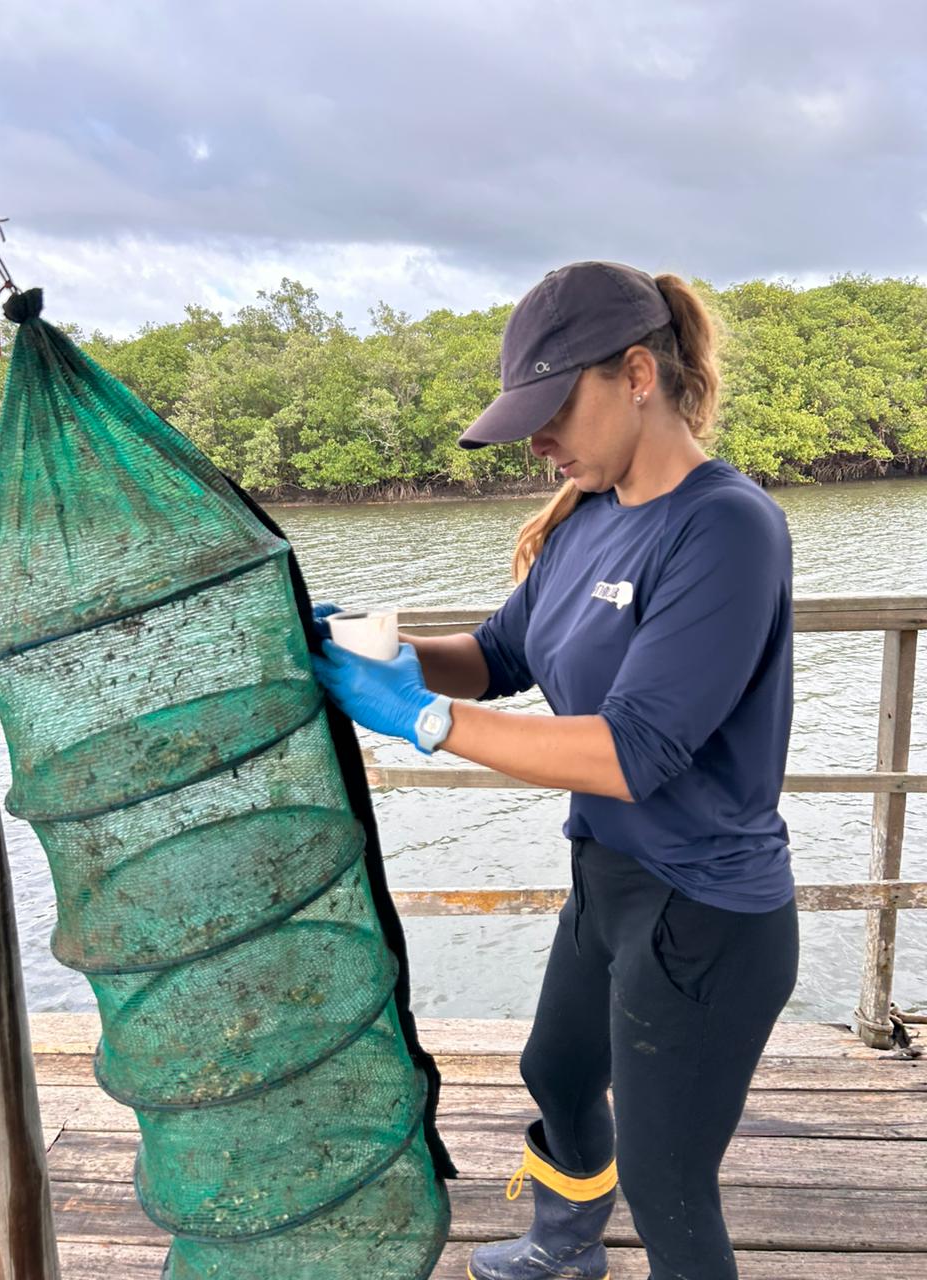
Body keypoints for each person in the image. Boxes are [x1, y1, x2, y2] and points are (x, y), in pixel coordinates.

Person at [310, 261, 800, 1280]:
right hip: (608, 877)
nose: (536, 442)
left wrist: (424, 721)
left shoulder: (726, 526)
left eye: (551, 410)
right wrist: (381, 656)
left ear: (635, 374)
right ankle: (569, 1239)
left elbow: (633, 750)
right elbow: (499, 653)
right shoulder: (588, 512)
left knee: (672, 1185)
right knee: (556, 1067)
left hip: (706, 910)